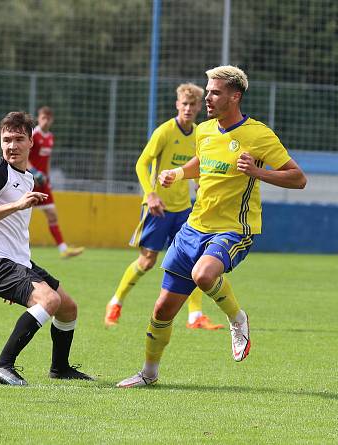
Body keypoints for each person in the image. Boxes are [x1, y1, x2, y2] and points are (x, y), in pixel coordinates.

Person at [116, 65, 307, 388]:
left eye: (215, 92)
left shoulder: (258, 134)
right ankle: (148, 373)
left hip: (234, 228)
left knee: (203, 275)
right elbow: (201, 163)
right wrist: (177, 174)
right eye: (208, 91)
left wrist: (258, 172)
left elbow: (298, 178)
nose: (208, 98)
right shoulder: (204, 131)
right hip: (194, 227)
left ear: (235, 96)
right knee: (163, 309)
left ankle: (237, 319)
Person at [0, 111, 93, 386]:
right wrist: (18, 204)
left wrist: (17, 280)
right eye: (6, 140)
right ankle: (2, 365)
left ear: (31, 142)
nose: (11, 146)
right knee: (48, 301)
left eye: (18, 139)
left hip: (16, 262)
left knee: (68, 308)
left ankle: (60, 368)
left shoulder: (27, 177)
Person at [105, 83, 224, 331]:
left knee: (194, 260)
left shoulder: (200, 134)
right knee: (147, 261)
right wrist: (150, 195)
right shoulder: (165, 132)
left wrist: (200, 187)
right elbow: (141, 164)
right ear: (177, 105)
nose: (189, 108)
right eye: (185, 104)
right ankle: (116, 302)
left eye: (193, 105)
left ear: (199, 107)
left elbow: (199, 167)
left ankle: (195, 316)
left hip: (183, 209)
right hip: (158, 208)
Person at [28, 106, 85, 259]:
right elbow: (24, 155)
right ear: (38, 119)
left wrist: (47, 177)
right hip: (29, 180)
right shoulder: (33, 135)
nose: (45, 121)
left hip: (43, 182)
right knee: (21, 215)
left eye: (48, 118)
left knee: (52, 214)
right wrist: (33, 172)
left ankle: (63, 249)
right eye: (42, 118)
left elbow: (47, 160)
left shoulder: (50, 137)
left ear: (52, 120)